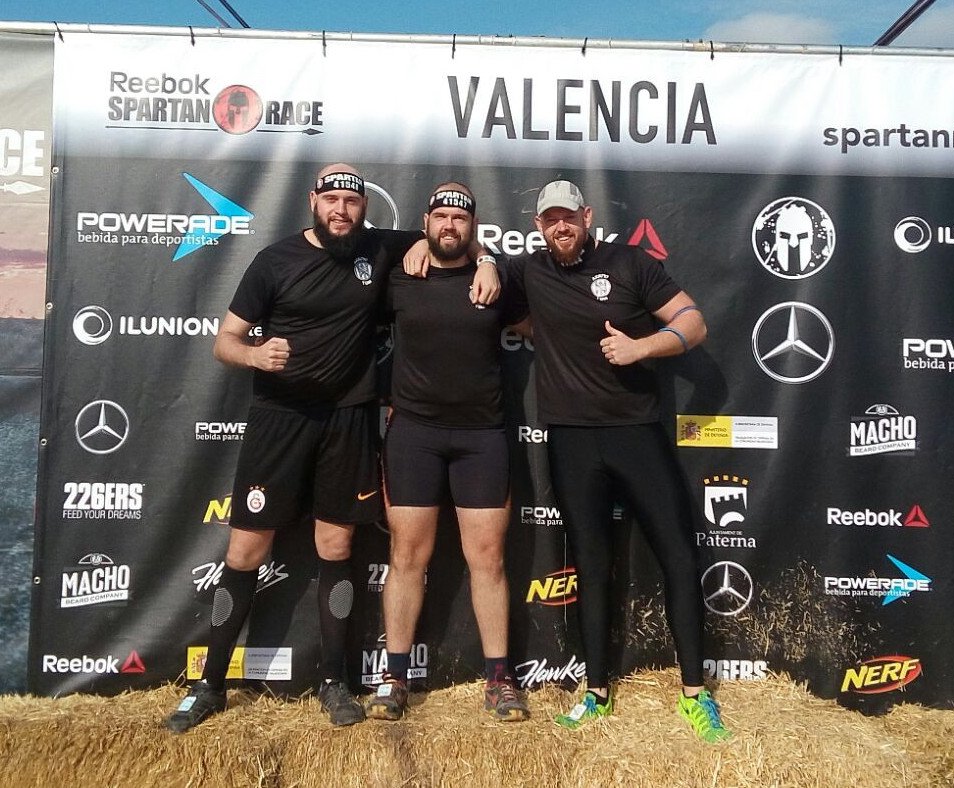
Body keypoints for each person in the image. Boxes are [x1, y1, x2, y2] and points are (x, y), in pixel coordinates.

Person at [164, 164, 498, 733]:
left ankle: (335, 681)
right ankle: (210, 685)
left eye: (352, 200)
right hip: (279, 421)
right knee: (246, 551)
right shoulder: (274, 261)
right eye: (332, 199)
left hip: (348, 421)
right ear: (313, 201)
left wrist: (488, 259)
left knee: (336, 545)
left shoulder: (381, 248)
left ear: (364, 208)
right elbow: (225, 340)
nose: (341, 209)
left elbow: (458, 237)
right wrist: (253, 356)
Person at [510, 180, 732, 742]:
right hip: (570, 438)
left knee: (678, 556)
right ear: (539, 225)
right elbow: (469, 269)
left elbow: (694, 323)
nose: (560, 226)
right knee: (590, 563)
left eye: (569, 216)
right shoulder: (531, 271)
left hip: (637, 433)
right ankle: (597, 692)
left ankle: (693, 693)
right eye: (549, 219)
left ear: (587, 216)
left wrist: (642, 347)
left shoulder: (630, 262)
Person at [366, 182, 529, 723]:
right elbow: (358, 240)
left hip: (482, 438)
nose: (450, 225)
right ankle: (394, 677)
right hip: (414, 435)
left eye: (461, 217)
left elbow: (543, 316)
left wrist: (489, 261)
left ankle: (500, 681)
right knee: (408, 559)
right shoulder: (398, 274)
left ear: (474, 226)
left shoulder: (498, 280)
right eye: (441, 216)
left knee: (488, 561)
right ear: (426, 220)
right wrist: (415, 243)